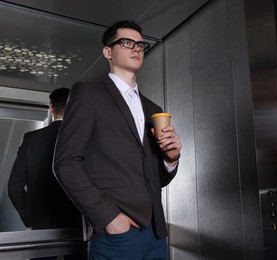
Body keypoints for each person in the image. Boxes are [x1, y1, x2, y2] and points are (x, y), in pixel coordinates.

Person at [53, 20, 182, 259]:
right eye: (127, 42)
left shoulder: (153, 108)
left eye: (140, 44)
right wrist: (109, 218)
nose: (136, 48)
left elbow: (153, 179)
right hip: (117, 234)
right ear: (108, 51)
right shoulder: (88, 93)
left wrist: (170, 160)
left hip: (156, 234)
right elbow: (66, 162)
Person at [8, 87, 86, 259]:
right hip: (77, 224)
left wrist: (30, 218)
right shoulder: (83, 139)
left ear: (51, 108)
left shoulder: (31, 139)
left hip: (41, 227)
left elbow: (14, 187)